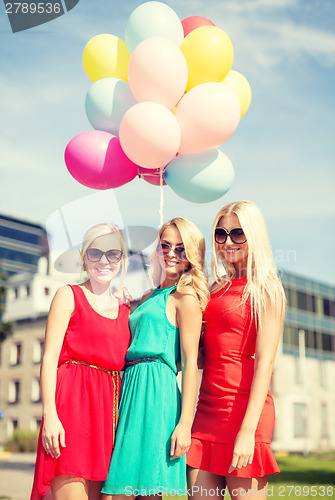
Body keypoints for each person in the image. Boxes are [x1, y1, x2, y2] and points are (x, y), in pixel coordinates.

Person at [101, 217, 209, 499]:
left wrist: (185, 423)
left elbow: (189, 364)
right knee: (119, 486)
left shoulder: (185, 298)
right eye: (165, 246)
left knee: (148, 488)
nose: (171, 253)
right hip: (130, 388)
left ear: (191, 257)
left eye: (181, 248)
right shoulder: (148, 295)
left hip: (157, 391)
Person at [187, 201, 286, 499]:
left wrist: (247, 431)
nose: (228, 241)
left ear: (253, 235)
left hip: (245, 412)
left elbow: (265, 363)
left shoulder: (267, 289)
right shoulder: (215, 288)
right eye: (221, 233)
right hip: (205, 412)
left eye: (238, 233)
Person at [30, 223, 131, 500]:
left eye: (112, 253)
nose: (104, 261)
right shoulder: (68, 295)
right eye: (95, 253)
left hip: (107, 419)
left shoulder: (126, 310)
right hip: (71, 411)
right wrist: (50, 415)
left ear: (122, 259)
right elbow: (49, 359)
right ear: (84, 257)